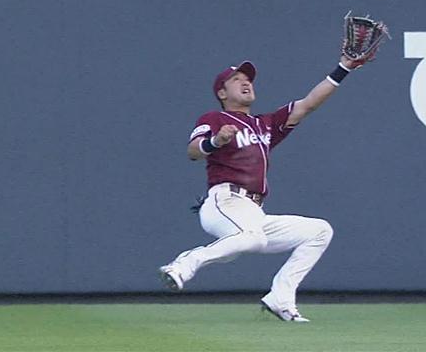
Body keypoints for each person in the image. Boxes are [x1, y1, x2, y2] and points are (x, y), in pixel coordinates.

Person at [158, 50, 370, 323]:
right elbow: (192, 152)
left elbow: (308, 105)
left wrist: (344, 67)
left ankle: (280, 297)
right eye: (236, 79)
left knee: (318, 231)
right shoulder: (215, 118)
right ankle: (183, 264)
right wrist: (217, 141)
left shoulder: (265, 125)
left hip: (253, 211)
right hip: (224, 201)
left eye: (248, 79)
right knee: (252, 237)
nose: (246, 82)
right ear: (222, 93)